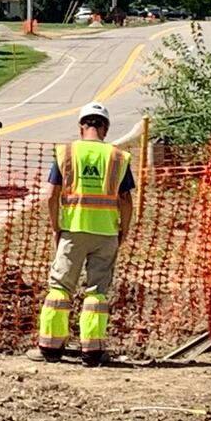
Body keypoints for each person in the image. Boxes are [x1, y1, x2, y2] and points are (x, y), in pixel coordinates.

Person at [33, 102, 134, 366]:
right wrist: (123, 229)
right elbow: (126, 200)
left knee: (60, 287)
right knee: (97, 292)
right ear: (106, 128)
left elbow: (51, 195)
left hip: (73, 230)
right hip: (106, 232)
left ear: (81, 126)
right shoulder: (117, 157)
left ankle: (50, 348)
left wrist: (57, 226)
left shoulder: (66, 152)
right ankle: (92, 351)